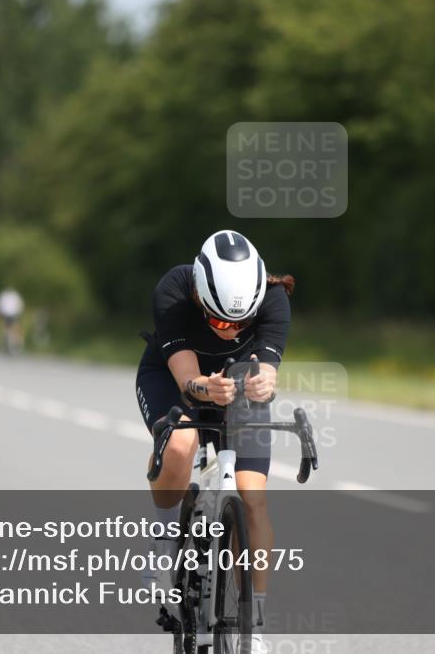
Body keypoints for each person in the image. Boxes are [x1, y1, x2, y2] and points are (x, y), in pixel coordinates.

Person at [136, 229, 295, 651]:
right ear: (199, 297)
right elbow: (187, 379)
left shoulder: (274, 298)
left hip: (237, 383)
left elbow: (267, 368)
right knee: (180, 445)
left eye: (241, 322)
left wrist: (263, 382)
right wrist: (206, 388)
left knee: (253, 497)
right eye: (221, 320)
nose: (231, 330)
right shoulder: (174, 290)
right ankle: (164, 536)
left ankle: (254, 627)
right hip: (174, 377)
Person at [0, 287, 25, 354]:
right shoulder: (14, 295)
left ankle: (15, 343)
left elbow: (0, 305)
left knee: (11, 328)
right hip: (11, 314)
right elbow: (20, 305)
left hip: (8, 314)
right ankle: (11, 343)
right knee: (11, 329)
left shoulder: (5, 295)